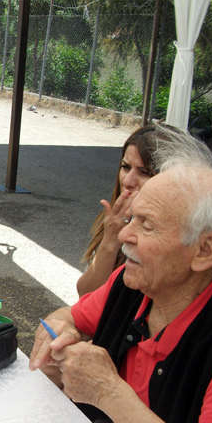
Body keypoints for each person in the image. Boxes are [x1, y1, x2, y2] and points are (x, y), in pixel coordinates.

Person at [29, 128, 212, 423]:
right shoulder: (130, 282)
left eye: (146, 225)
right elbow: (64, 315)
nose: (124, 236)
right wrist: (55, 335)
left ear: (204, 250)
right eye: (130, 219)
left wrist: (108, 392)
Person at [77, 125, 163, 297]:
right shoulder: (116, 220)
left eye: (144, 172)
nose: (128, 181)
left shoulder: (170, 235)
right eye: (125, 167)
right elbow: (86, 295)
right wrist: (109, 243)